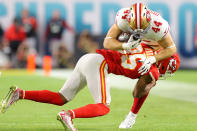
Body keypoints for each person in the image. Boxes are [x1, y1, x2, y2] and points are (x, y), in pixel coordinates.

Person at [103, 3, 179, 129]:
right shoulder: (123, 18)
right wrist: (125, 46)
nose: (140, 31)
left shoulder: (158, 25)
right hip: (136, 46)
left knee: (139, 90)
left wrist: (153, 59)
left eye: (143, 27)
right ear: (129, 20)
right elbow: (107, 42)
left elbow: (171, 49)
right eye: (135, 27)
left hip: (153, 50)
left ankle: (131, 116)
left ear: (149, 20)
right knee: (115, 58)